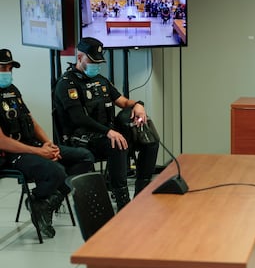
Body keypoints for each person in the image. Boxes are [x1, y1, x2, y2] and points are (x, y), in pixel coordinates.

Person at [53, 37, 159, 211]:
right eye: (92, 61)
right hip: (81, 138)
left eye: (99, 62)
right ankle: (122, 199)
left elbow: (123, 102)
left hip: (104, 134)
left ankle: (142, 192)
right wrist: (109, 132)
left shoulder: (101, 81)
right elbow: (79, 118)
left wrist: (138, 105)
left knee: (149, 138)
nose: (97, 65)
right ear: (80, 58)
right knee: (117, 144)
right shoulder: (67, 84)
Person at [0, 49, 95, 238]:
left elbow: (30, 120)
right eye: (3, 67)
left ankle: (42, 202)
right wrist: (38, 151)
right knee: (57, 171)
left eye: (10, 68)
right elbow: (2, 141)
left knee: (85, 157)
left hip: (31, 146)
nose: (7, 72)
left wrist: (48, 144)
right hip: (10, 154)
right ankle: (41, 201)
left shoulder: (12, 90)